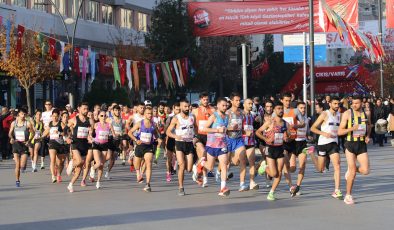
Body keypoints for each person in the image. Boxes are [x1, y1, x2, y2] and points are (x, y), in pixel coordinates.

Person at [338, 95, 371, 205]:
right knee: (352, 172)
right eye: (353, 103)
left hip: (361, 144)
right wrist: (353, 128)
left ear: (362, 103)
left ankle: (351, 169)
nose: (354, 105)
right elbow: (340, 131)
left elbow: (369, 125)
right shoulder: (347, 113)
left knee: (366, 171)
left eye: (357, 103)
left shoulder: (366, 113)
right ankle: (348, 195)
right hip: (350, 144)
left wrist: (368, 136)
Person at [310, 96, 343, 200]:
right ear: (330, 104)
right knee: (320, 169)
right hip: (323, 143)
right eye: (335, 104)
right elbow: (313, 128)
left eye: (338, 104)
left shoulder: (340, 115)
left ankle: (336, 190)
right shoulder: (325, 114)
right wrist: (324, 133)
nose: (337, 106)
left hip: (333, 143)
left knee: (337, 166)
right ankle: (311, 153)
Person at [255, 101, 289, 201]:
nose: (281, 110)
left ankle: (271, 193)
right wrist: (266, 139)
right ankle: (264, 167)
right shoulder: (270, 122)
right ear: (274, 110)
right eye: (278, 109)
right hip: (270, 149)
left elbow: (288, 135)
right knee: (274, 174)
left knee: (279, 173)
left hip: (280, 149)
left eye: (282, 108)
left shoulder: (285, 123)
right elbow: (257, 132)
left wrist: (287, 137)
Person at [198, 97, 231, 197]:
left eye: (226, 105)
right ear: (218, 106)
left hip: (222, 145)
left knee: (224, 165)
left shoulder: (227, 117)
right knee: (210, 167)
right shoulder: (214, 116)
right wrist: (217, 130)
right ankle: (201, 163)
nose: (225, 107)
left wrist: (230, 130)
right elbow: (204, 129)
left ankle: (222, 188)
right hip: (212, 145)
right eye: (223, 105)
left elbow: (225, 130)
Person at [166, 100, 197, 196]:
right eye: (185, 107)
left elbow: (195, 128)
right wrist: (176, 136)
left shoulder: (192, 117)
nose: (187, 108)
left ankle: (194, 170)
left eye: (188, 106)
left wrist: (195, 136)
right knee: (181, 165)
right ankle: (181, 187)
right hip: (179, 143)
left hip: (189, 143)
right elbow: (168, 132)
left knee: (189, 168)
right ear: (181, 107)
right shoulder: (176, 118)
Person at [129, 107, 161, 192]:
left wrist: (158, 138)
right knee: (137, 164)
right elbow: (129, 132)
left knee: (148, 163)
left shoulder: (154, 124)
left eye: (151, 113)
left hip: (149, 147)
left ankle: (148, 184)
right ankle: (138, 173)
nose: (150, 115)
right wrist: (136, 140)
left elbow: (156, 134)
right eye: (148, 113)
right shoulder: (140, 123)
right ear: (144, 114)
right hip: (140, 145)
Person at [66, 102, 93, 193]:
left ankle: (70, 184)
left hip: (84, 145)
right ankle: (71, 164)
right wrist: (67, 138)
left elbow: (91, 133)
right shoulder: (74, 120)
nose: (86, 111)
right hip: (75, 144)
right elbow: (64, 129)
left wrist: (90, 135)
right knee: (80, 161)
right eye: (84, 109)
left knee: (79, 170)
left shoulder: (90, 121)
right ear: (79, 109)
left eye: (87, 109)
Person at [225, 92, 247, 191]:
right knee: (228, 162)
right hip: (228, 139)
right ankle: (219, 171)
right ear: (231, 101)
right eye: (236, 100)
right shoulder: (227, 113)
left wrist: (246, 131)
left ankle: (242, 184)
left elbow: (242, 127)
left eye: (239, 100)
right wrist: (230, 128)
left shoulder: (242, 113)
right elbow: (222, 127)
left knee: (243, 159)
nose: (238, 102)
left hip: (239, 140)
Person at [192, 92, 214, 187]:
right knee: (203, 152)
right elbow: (191, 124)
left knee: (204, 158)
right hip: (199, 136)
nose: (206, 101)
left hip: (209, 136)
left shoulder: (212, 110)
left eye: (207, 99)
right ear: (200, 100)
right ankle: (203, 177)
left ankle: (199, 170)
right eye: (204, 99)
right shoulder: (195, 111)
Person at [8, 108, 34, 187]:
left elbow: (32, 133)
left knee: (22, 165)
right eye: (22, 114)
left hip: (24, 145)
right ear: (19, 114)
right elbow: (10, 133)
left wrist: (29, 140)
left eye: (25, 114)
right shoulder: (14, 123)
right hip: (16, 144)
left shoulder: (27, 123)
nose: (23, 116)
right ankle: (17, 180)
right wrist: (11, 138)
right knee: (17, 164)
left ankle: (23, 167)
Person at [42, 109, 67, 183]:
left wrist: (59, 133)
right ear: (51, 116)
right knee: (52, 160)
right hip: (52, 143)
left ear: (59, 116)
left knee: (61, 162)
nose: (55, 118)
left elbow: (65, 133)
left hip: (60, 143)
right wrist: (41, 136)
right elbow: (46, 131)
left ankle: (58, 174)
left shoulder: (61, 123)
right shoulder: (50, 123)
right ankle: (53, 176)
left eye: (56, 116)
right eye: (53, 116)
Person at [242, 98, 259, 190]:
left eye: (252, 104)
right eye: (249, 103)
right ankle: (242, 182)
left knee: (252, 163)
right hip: (241, 142)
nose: (251, 105)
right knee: (240, 162)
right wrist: (244, 133)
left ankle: (252, 182)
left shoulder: (252, 115)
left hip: (251, 141)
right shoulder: (240, 115)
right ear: (244, 104)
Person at [40, 100, 54, 170]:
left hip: (52, 132)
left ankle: (52, 162)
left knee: (51, 147)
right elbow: (41, 122)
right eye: (46, 104)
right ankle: (42, 162)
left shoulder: (53, 112)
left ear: (51, 105)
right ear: (45, 105)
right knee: (43, 145)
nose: (48, 105)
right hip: (45, 131)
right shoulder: (43, 113)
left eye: (49, 104)